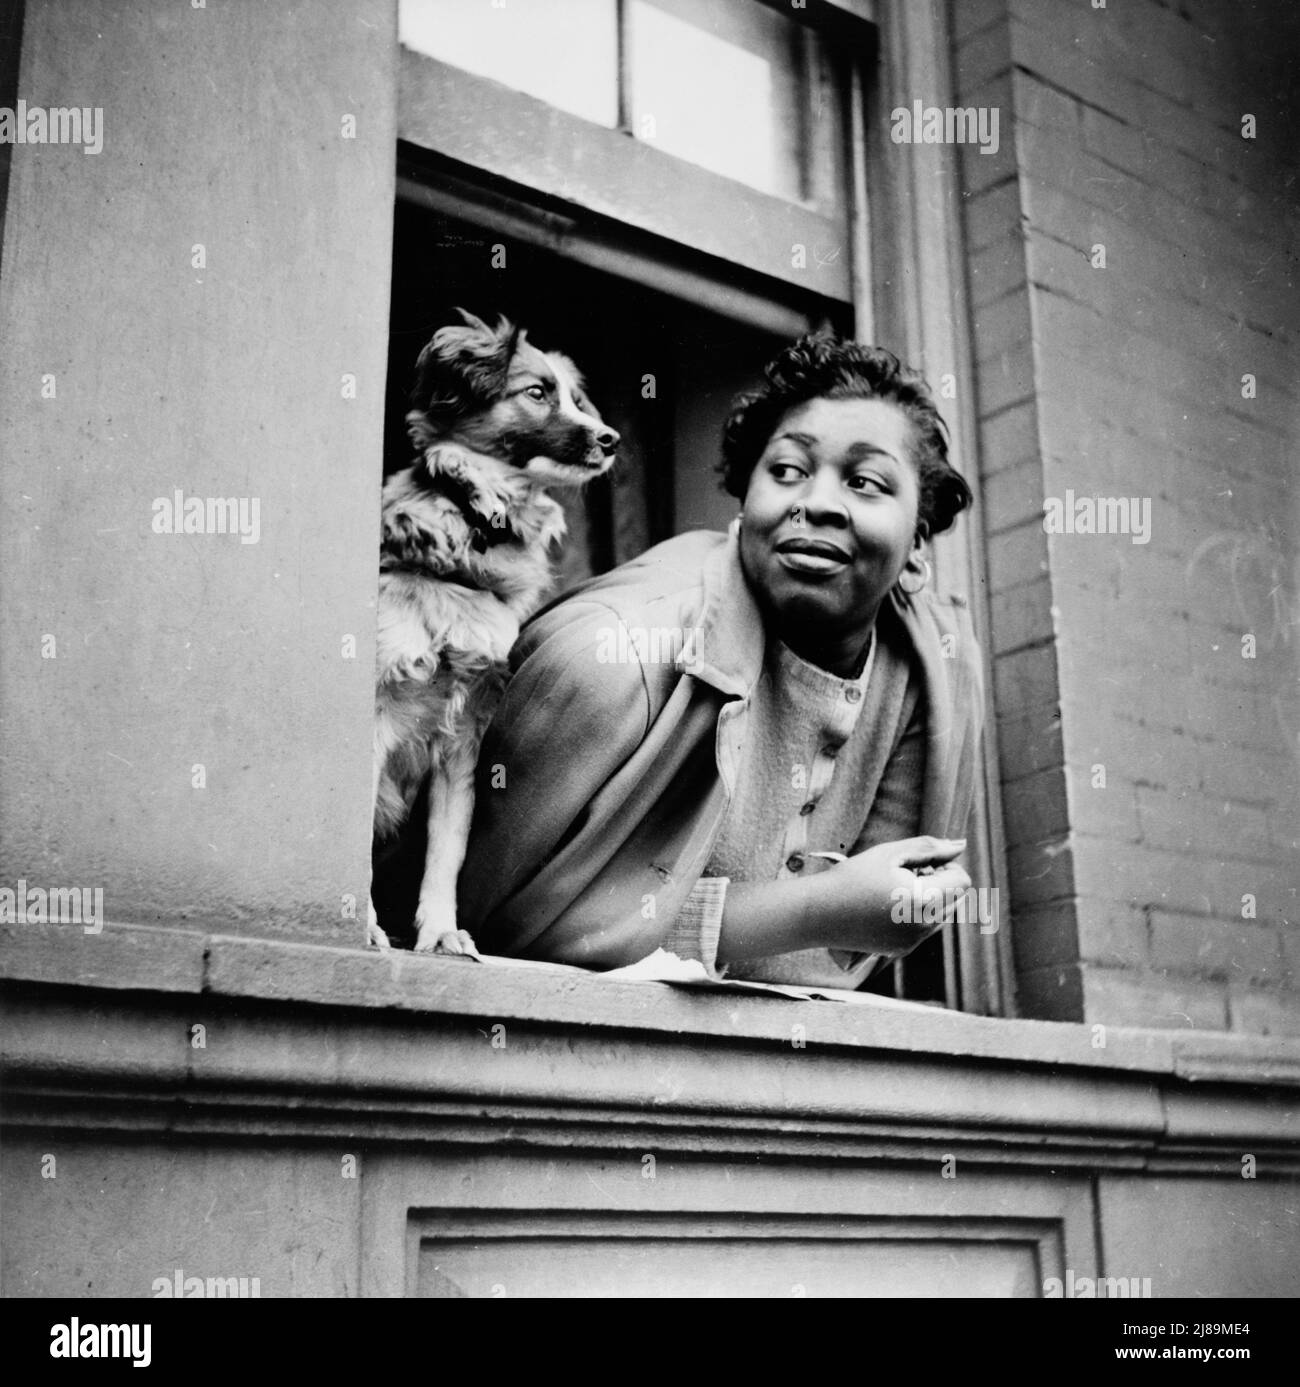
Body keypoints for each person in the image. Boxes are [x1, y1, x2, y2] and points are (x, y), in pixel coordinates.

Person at [457, 331, 984, 986]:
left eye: (866, 481)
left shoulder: (931, 677)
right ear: (743, 505)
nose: (815, 502)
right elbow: (494, 929)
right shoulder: (611, 656)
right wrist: (817, 909)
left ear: (917, 548)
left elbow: (837, 959)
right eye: (786, 471)